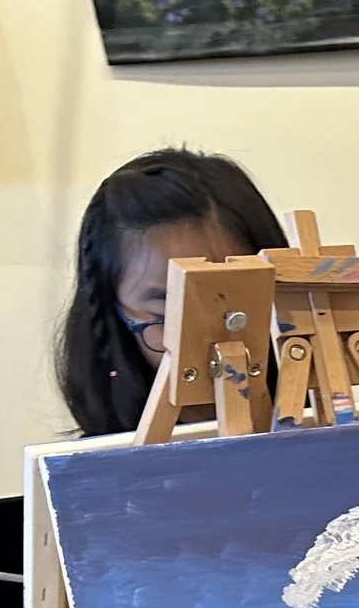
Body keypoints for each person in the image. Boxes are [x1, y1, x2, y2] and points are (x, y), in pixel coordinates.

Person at [57, 149, 290, 437]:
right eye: (168, 314)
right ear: (112, 317)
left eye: (236, 307)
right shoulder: (95, 468)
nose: (216, 343)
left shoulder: (324, 416)